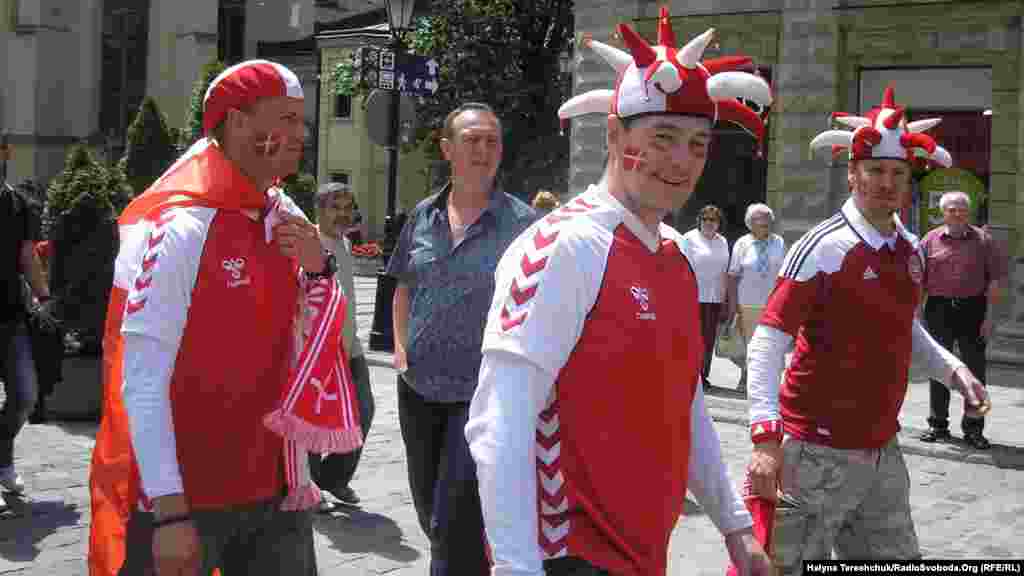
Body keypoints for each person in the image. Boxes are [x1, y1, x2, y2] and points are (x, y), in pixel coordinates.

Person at [465, 11, 775, 576]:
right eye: (661, 138)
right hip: (568, 557)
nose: (681, 161)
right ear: (613, 135)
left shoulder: (676, 257)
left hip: (644, 554)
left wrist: (735, 528)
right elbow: (498, 419)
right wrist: (514, 567)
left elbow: (687, 404)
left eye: (697, 143)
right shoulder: (566, 246)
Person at [89, 59, 365, 576]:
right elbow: (142, 379)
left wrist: (318, 266)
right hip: (189, 505)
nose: (298, 135)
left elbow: (320, 329)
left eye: (300, 121)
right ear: (238, 124)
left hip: (280, 499)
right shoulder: (176, 228)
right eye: (284, 119)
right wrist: (170, 515)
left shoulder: (288, 216)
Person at [745, 85, 991, 574]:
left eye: (898, 173)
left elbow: (907, 330)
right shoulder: (823, 247)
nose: (886, 182)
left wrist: (954, 371)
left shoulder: (910, 249)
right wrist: (764, 437)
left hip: (882, 452)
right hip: (813, 452)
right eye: (875, 170)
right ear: (853, 173)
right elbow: (767, 341)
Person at [386, 102, 536, 575]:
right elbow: (404, 285)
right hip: (418, 389)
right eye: (473, 140)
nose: (484, 149)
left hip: (482, 397)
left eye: (492, 140)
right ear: (447, 149)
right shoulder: (423, 216)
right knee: (432, 512)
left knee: (455, 521)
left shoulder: (524, 224)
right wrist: (400, 347)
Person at [918, 190, 1006, 449]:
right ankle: (938, 424)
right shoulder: (929, 240)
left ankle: (974, 429)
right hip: (938, 309)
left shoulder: (984, 241)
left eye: (961, 209)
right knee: (938, 367)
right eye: (951, 209)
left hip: (973, 309)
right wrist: (916, 313)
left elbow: (995, 281)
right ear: (943, 212)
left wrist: (990, 317)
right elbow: (919, 280)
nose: (956, 213)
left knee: (975, 371)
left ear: (969, 212)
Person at [310, 182, 376, 507]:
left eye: (348, 208)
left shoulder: (346, 245)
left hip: (350, 349)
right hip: (316, 351)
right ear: (319, 210)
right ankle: (309, 486)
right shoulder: (308, 243)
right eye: (336, 207)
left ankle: (333, 479)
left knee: (364, 411)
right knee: (311, 421)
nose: (343, 214)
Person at [0, 180, 49, 498]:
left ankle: (2, 459)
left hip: (10, 316)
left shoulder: (17, 203)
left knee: (25, 395)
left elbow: (27, 254)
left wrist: (44, 297)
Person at [725, 203, 785, 394]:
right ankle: (746, 378)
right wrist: (732, 305)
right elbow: (733, 275)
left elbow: (784, 274)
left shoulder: (779, 242)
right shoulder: (743, 243)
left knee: (768, 344)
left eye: (768, 218)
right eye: (760, 219)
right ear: (751, 223)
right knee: (748, 344)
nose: (765, 222)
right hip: (747, 302)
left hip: (772, 302)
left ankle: (766, 383)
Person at [681, 204, 730, 390]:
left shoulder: (722, 241)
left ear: (719, 223)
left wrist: (725, 298)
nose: (709, 223)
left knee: (708, 339)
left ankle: (703, 375)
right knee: (693, 338)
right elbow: (682, 268)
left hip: (715, 297)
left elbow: (724, 271)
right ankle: (690, 374)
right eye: (705, 219)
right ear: (699, 221)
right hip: (694, 296)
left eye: (713, 220)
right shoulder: (689, 238)